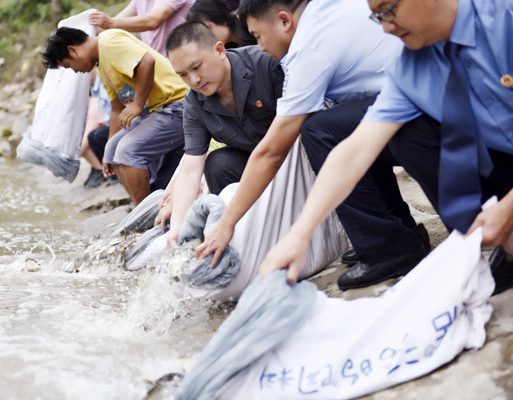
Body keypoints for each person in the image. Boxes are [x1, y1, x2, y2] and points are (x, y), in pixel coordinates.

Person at [258, 0, 513, 295]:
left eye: (388, 11)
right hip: (498, 164)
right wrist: (299, 234)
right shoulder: (410, 65)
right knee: (408, 132)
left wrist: (507, 209)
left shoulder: (503, 18)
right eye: (377, 17)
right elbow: (355, 149)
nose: (385, 27)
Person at [194, 0, 430, 291]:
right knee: (340, 123)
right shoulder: (324, 9)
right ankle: (398, 231)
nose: (259, 46)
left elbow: (271, 152)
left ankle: (387, 247)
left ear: (283, 21)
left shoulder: (307, 48)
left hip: (424, 114)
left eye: (257, 36)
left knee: (319, 130)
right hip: (413, 97)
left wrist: (227, 224)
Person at [162, 21, 283, 247]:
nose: (194, 80)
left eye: (196, 67)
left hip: (292, 158)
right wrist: (178, 227)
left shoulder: (265, 64)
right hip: (253, 169)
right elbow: (190, 169)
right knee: (218, 163)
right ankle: (244, 237)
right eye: (183, 75)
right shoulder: (193, 103)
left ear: (219, 50)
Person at [42, 27, 188, 206]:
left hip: (176, 105)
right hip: (156, 112)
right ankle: (138, 205)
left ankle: (144, 214)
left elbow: (147, 62)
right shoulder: (102, 66)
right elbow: (116, 109)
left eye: (68, 65)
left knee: (128, 151)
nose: (74, 71)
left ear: (72, 50)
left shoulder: (109, 41)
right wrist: (107, 151)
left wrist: (137, 104)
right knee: (113, 150)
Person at [88, 0, 192, 56]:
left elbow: (153, 20)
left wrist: (111, 23)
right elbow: (111, 24)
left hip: (181, 63)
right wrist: (83, 31)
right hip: (160, 66)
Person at [186, 0, 256, 48]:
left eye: (208, 29)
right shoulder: (228, 51)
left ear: (220, 18)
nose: (206, 38)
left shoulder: (251, 22)